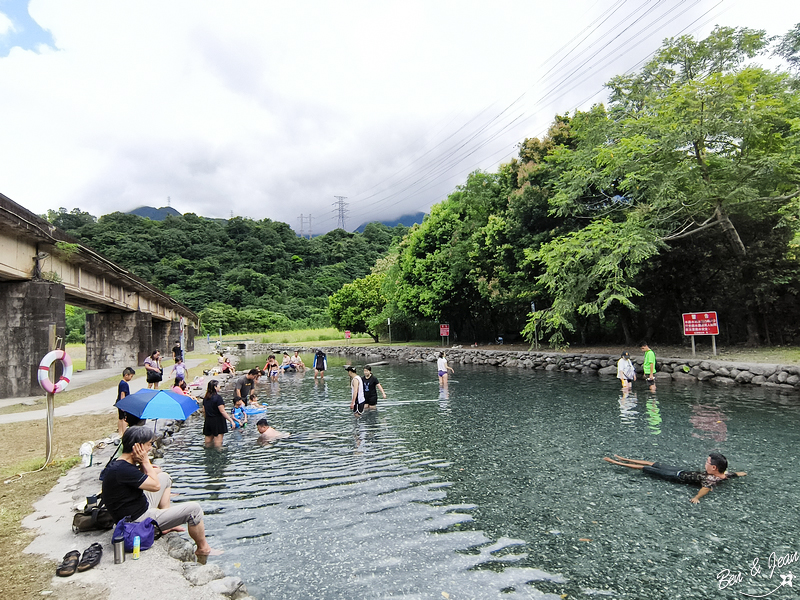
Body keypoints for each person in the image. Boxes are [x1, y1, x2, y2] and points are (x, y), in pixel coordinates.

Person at [101, 426, 222, 556]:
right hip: (137, 521)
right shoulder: (124, 470)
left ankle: (167, 523)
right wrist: (146, 462)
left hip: (136, 508)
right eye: (149, 444)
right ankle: (203, 549)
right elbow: (156, 486)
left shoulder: (120, 463)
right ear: (139, 447)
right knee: (194, 509)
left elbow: (142, 480)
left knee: (164, 477)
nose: (150, 448)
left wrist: (144, 466)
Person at [603, 452, 747, 504]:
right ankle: (624, 458)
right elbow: (735, 474)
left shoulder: (711, 480)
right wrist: (742, 474)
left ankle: (616, 462)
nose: (705, 464)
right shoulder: (725, 475)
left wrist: (697, 498)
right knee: (653, 463)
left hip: (674, 477)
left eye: (707, 462)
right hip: (681, 471)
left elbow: (705, 489)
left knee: (646, 468)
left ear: (714, 468)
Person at [202, 380, 237, 448]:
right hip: (217, 421)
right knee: (218, 444)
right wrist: (231, 420)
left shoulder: (205, 398)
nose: (219, 387)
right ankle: (218, 456)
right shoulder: (218, 398)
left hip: (208, 421)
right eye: (218, 386)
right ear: (215, 387)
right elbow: (222, 411)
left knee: (207, 443)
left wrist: (206, 420)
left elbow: (204, 411)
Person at [115, 367, 136, 436]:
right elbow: (122, 394)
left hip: (119, 402)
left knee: (120, 418)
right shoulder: (124, 384)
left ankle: (120, 432)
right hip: (123, 403)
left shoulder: (121, 382)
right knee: (124, 419)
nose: (131, 378)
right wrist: (123, 404)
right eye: (131, 376)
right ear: (126, 375)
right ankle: (124, 432)